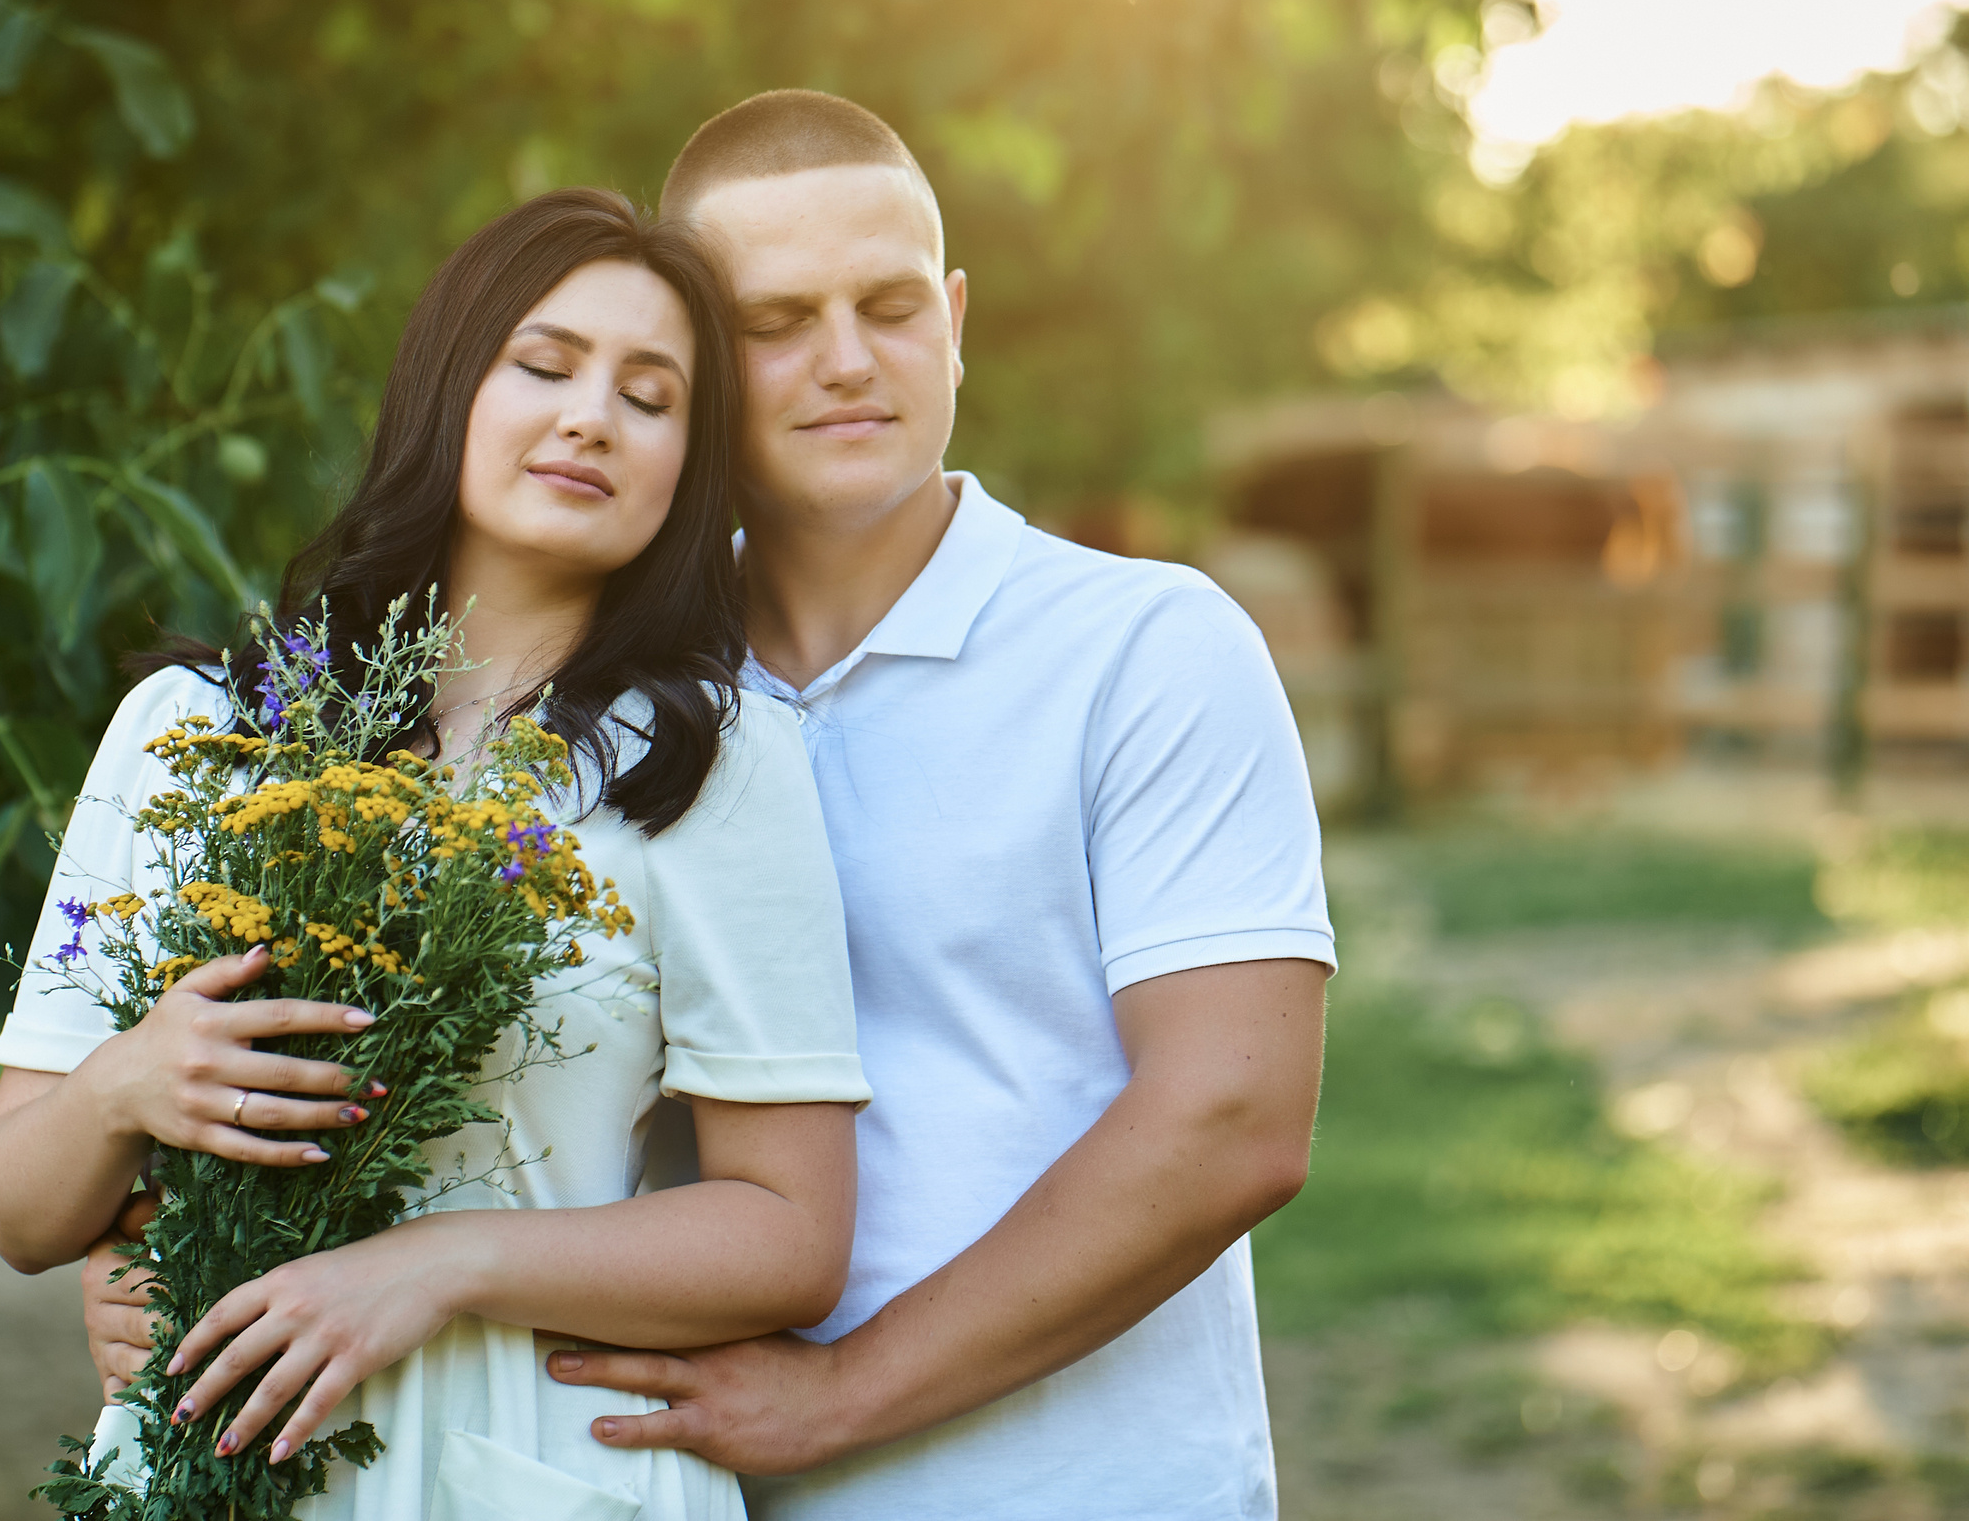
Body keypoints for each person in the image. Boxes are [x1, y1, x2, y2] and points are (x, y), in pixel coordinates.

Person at [83, 93, 1337, 1519]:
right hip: (667, 1479)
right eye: (778, 321)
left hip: (1078, 1486)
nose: (848, 359)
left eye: (890, 307)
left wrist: (844, 1392)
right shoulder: (608, 694)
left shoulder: (1146, 646)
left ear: (955, 320)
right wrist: (169, 1245)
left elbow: (1233, 1120)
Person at [0, 187, 871, 1520]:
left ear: (688, 467)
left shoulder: (710, 763)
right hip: (210, 1446)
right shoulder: (196, 730)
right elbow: (17, 1210)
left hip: (532, 1449)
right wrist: (126, 1086)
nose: (591, 418)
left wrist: (438, 1266)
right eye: (545, 366)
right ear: (449, 387)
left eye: (650, 397)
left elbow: (792, 1234)